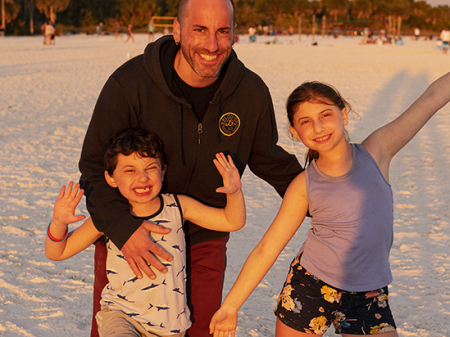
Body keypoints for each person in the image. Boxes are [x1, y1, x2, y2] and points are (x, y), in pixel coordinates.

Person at [79, 0, 302, 336]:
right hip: (134, 238)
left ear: (234, 34)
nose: (211, 45)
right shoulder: (130, 83)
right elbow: (95, 166)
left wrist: (330, 189)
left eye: (222, 32)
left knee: (202, 331)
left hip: (204, 239)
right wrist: (124, 230)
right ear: (177, 30)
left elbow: (270, 159)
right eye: (200, 30)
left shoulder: (249, 92)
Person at [210, 72, 450, 336]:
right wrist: (230, 306)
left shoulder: (377, 151)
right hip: (310, 288)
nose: (318, 127)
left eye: (326, 115)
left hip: (368, 293)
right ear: (294, 132)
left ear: (343, 114)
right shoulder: (303, 185)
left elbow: (433, 97)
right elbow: (267, 249)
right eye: (306, 121)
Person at [47, 128, 245, 337]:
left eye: (150, 168)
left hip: (170, 326)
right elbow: (57, 252)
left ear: (163, 170)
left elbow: (232, 221)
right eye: (130, 170)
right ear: (111, 178)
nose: (142, 178)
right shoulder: (111, 218)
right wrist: (59, 222)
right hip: (121, 317)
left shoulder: (179, 206)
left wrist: (234, 193)